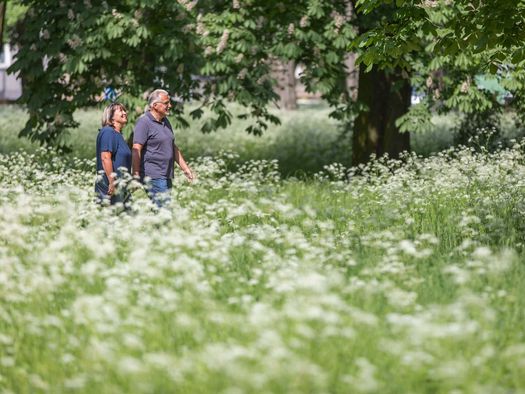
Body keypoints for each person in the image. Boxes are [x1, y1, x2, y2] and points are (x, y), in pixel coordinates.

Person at [132, 89, 193, 207]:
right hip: (153, 175)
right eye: (166, 103)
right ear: (155, 105)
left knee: (162, 213)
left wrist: (185, 169)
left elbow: (172, 146)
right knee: (164, 213)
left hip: (166, 174)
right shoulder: (144, 122)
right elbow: (136, 149)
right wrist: (135, 175)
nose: (170, 105)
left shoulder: (165, 121)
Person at [95, 102, 132, 205]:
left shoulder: (118, 135)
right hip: (111, 188)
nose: (125, 113)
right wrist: (112, 182)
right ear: (111, 117)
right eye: (121, 111)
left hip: (122, 187)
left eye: (124, 110)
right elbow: (105, 157)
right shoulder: (108, 132)